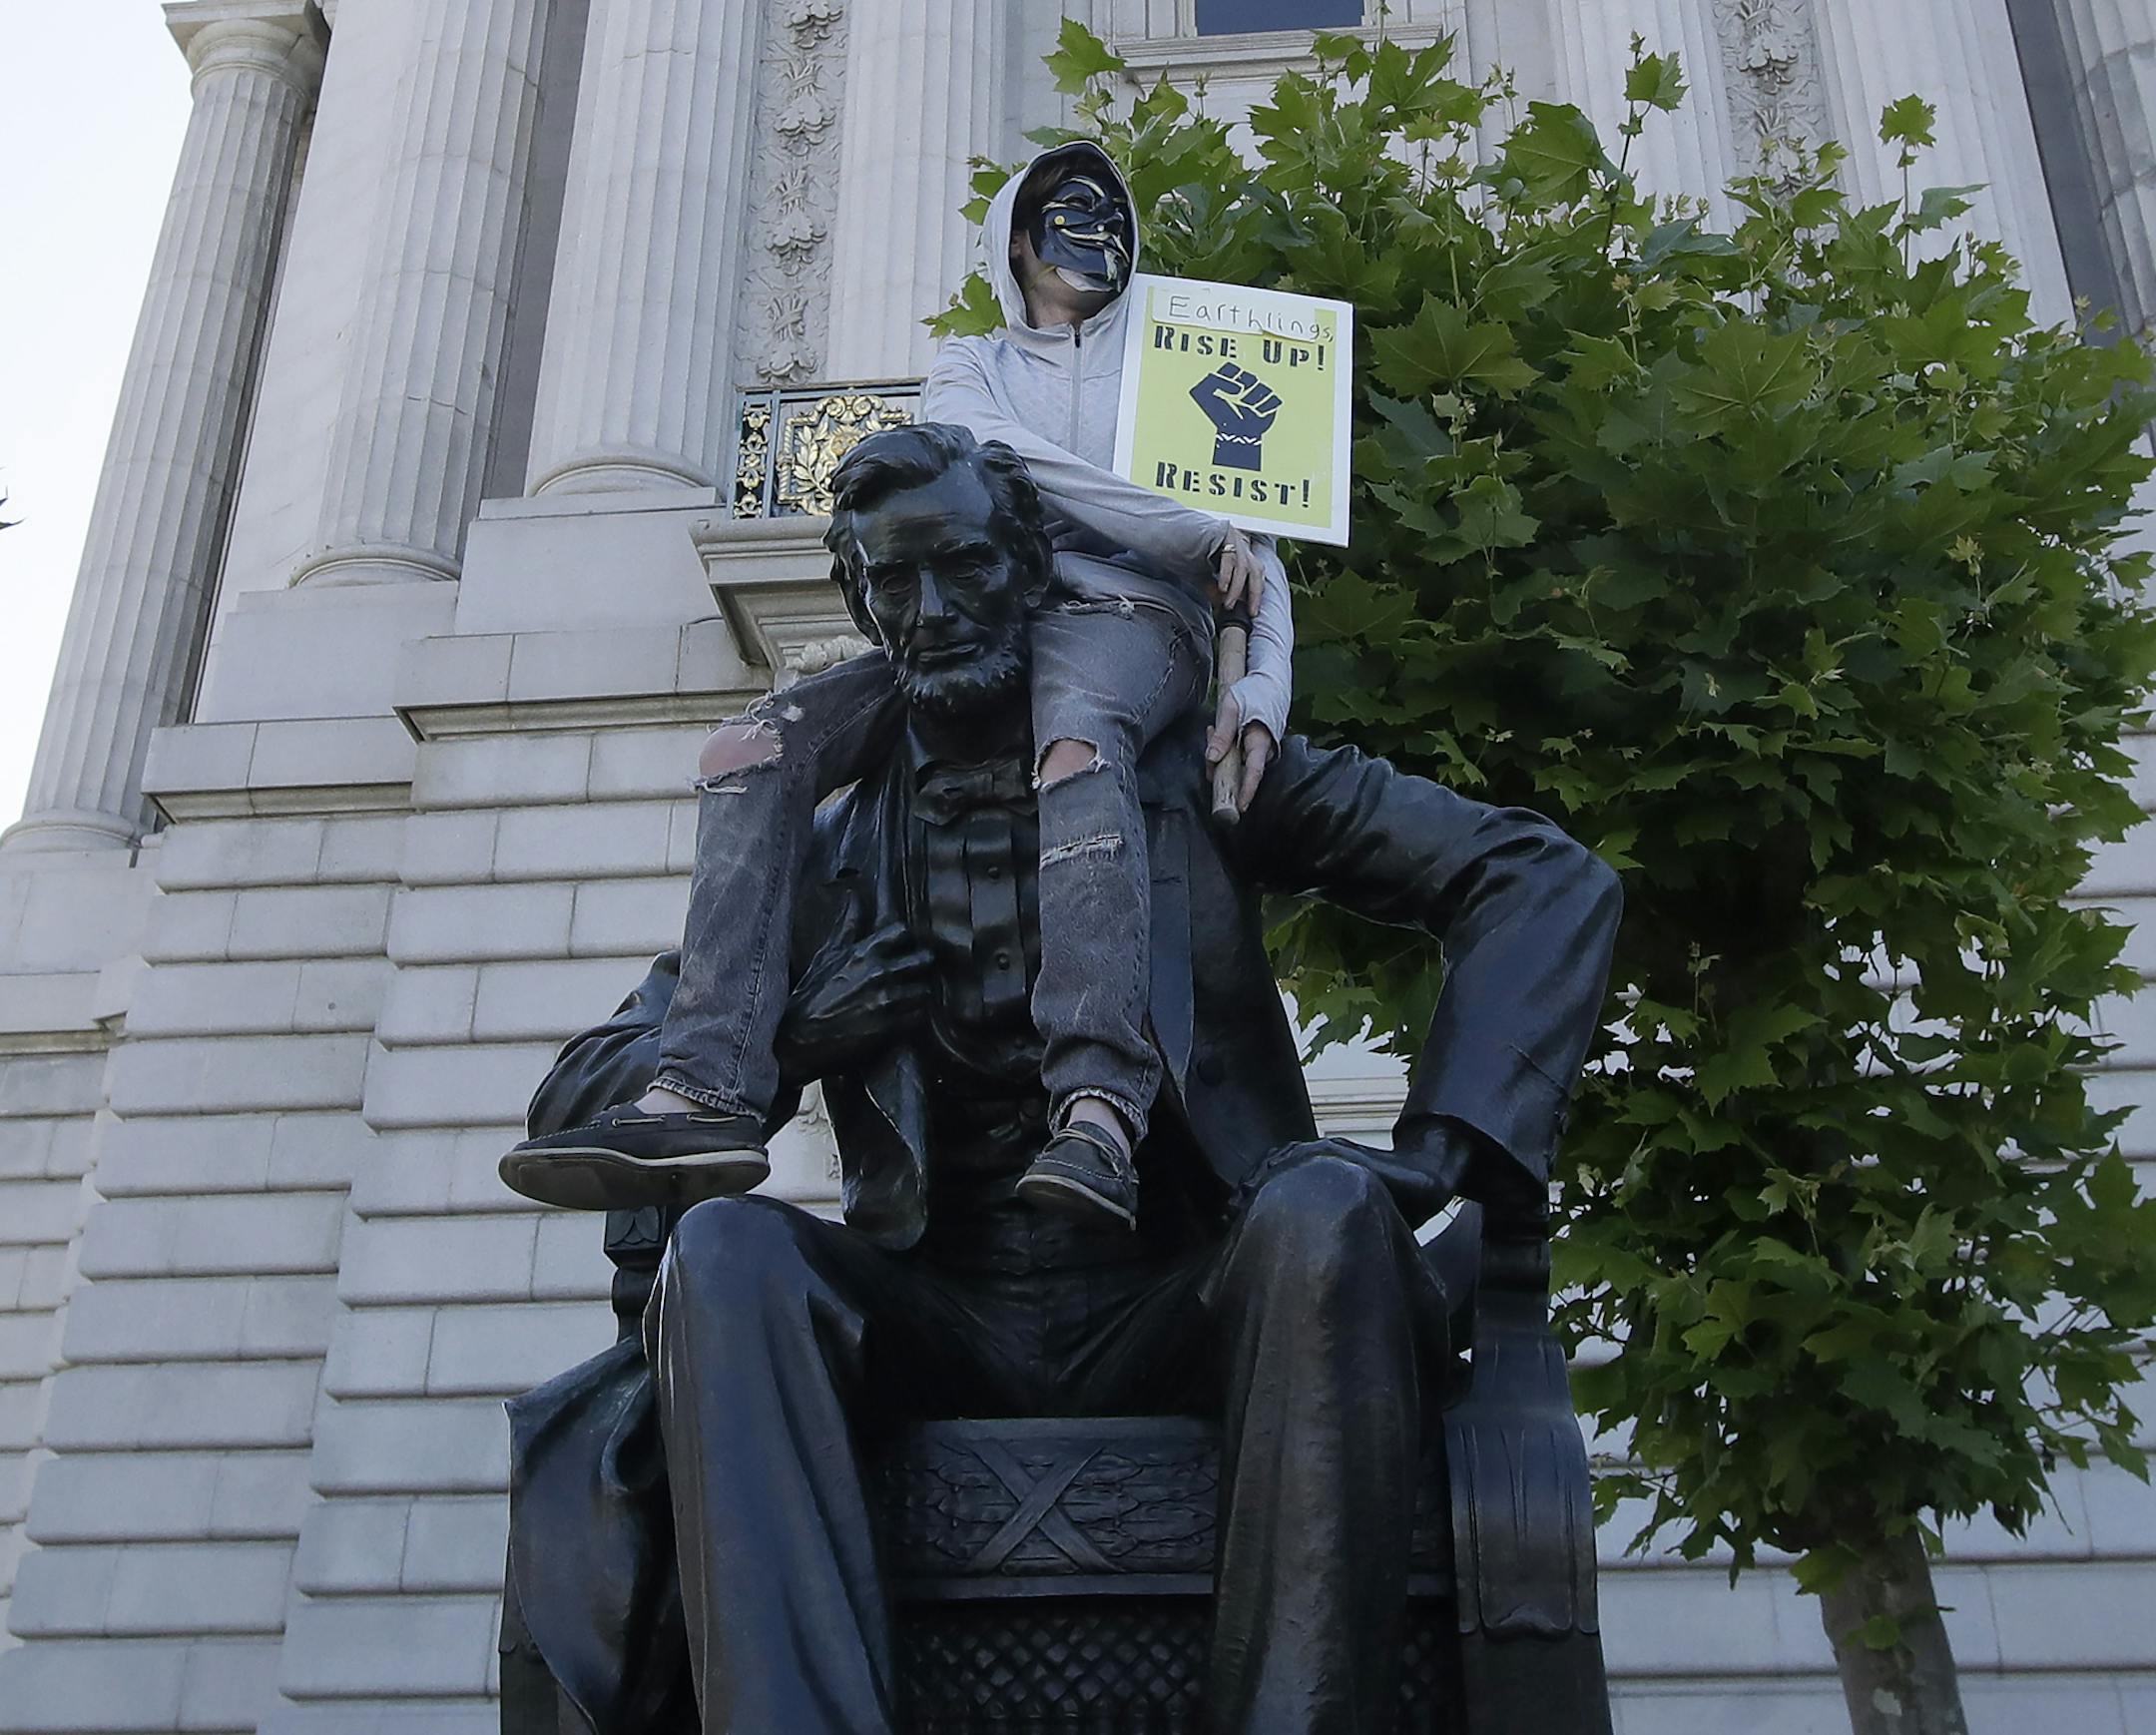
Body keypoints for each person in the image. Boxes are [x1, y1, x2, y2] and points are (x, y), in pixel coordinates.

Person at [502, 424, 1624, 1734]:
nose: (933, 611)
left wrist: (1441, 1155)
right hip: (935, 1311)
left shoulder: (1197, 776)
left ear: (1030, 570)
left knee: (1323, 1207)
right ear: (860, 604)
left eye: (965, 568)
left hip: (1181, 1293)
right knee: (733, 1257)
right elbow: (583, 1092)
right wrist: (797, 1032)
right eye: (895, 583)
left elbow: (1538, 878)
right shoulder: (824, 850)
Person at [499, 142, 1294, 1229]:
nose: (1098, 229)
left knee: (1074, 743)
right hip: (1008, 606)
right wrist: (1182, 522)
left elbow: (1261, 543)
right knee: (751, 748)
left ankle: (1100, 1105)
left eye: (1113, 209)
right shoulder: (973, 367)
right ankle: (702, 1082)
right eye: (1069, 210)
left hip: (1132, 618)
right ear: (1018, 236)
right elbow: (999, 449)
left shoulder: (1188, 354)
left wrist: (1261, 691)